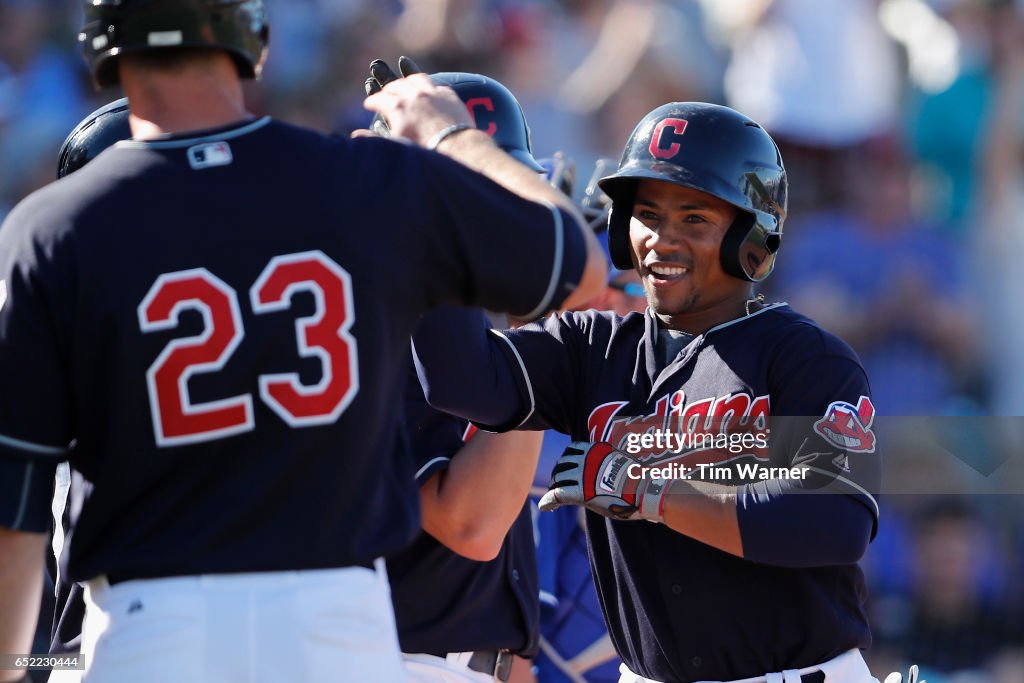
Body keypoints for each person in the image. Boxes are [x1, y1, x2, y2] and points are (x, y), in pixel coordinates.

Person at [0, 1, 605, 680]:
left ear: (100, 48)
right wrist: (449, 141)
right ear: (255, 39)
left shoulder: (49, 228)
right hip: (334, 627)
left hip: (152, 626)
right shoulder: (362, 183)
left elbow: (15, 515)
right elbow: (578, 266)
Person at [412, 102, 883, 683]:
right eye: (647, 214)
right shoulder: (593, 346)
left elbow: (833, 522)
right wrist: (437, 198)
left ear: (752, 236)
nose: (662, 240)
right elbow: (459, 379)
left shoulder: (805, 357)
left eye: (694, 219)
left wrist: (647, 491)